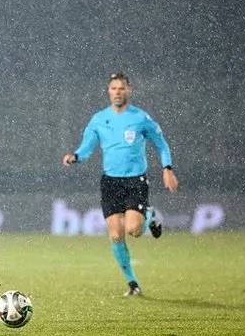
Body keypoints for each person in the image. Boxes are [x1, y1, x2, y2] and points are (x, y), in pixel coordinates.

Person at [62, 73, 179, 297]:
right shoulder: (98, 119)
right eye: (114, 88)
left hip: (135, 180)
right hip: (110, 182)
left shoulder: (141, 118)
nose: (117, 92)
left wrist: (167, 168)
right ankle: (132, 283)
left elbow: (161, 144)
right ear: (108, 91)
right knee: (116, 235)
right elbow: (87, 148)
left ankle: (152, 216)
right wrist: (75, 157)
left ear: (129, 91)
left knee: (134, 230)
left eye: (121, 88)